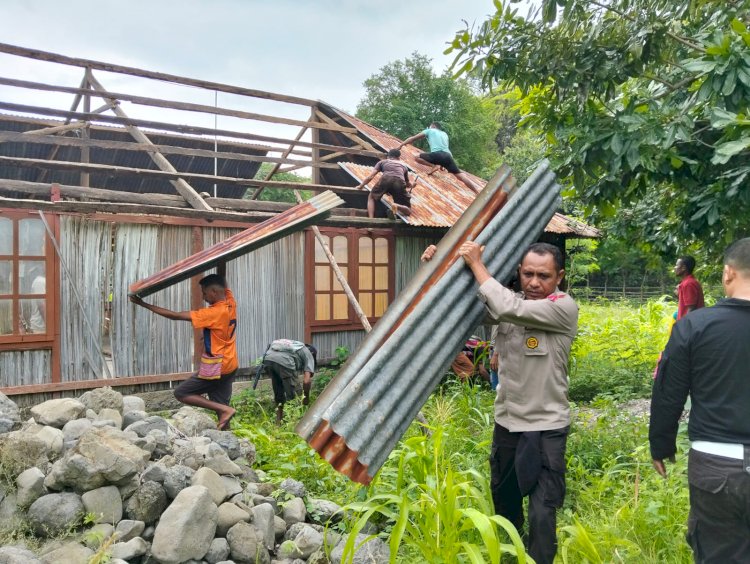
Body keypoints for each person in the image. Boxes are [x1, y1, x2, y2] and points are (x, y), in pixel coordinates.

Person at [446, 240, 578, 564]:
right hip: (508, 422)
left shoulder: (562, 307)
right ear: (519, 272)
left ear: (559, 276)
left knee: (543, 513)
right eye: (528, 273)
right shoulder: (511, 300)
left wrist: (477, 263)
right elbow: (472, 304)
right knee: (503, 501)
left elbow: (508, 308)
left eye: (544, 276)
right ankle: (511, 554)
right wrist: (442, 268)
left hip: (547, 428)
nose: (534, 282)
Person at [650, 238, 750, 562]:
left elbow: (668, 392)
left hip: (716, 466)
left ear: (727, 274)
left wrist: (661, 444)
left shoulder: (694, 326)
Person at [130, 273, 238, 430]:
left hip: (218, 367)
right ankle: (227, 438)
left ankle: (225, 410)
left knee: (182, 393)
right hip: (231, 365)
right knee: (221, 407)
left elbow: (175, 316)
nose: (203, 296)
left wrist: (143, 304)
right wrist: (219, 260)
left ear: (214, 291)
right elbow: (223, 282)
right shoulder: (230, 302)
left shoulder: (213, 313)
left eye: (205, 292)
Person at [398, 122, 480, 193]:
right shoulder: (445, 134)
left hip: (437, 154)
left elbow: (412, 139)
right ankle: (477, 192)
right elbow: (446, 148)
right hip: (448, 156)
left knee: (416, 157)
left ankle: (434, 166)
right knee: (461, 176)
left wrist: (401, 145)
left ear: (433, 126)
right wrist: (443, 164)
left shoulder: (429, 130)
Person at [262, 339, 316, 423]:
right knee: (295, 395)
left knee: (278, 392)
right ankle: (294, 422)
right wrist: (306, 398)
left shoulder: (294, 345)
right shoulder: (308, 354)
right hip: (284, 362)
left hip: (268, 360)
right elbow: (306, 381)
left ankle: (278, 422)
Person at [356, 149, 415, 219]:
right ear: (399, 158)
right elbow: (407, 184)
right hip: (399, 182)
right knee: (408, 210)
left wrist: (361, 186)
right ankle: (396, 206)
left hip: (386, 179)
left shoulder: (382, 162)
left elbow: (371, 176)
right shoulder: (404, 166)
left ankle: (371, 219)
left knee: (371, 197)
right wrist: (413, 185)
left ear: (388, 156)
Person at [674, 256, 704, 320]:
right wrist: (679, 294)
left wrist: (684, 326)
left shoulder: (688, 284)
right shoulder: (688, 282)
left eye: (676, 265)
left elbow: (691, 308)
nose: (675, 267)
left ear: (684, 268)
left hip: (690, 326)